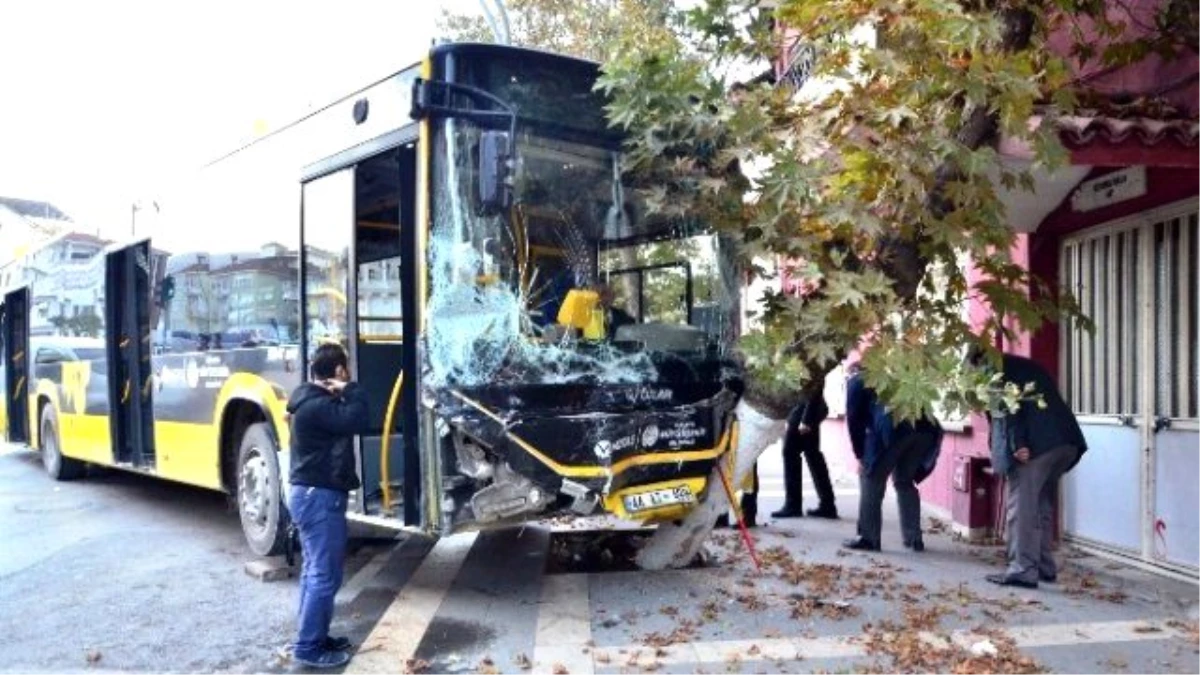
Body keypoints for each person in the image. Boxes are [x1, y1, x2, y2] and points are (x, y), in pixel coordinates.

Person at [970, 348, 1088, 589]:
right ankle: (1044, 566)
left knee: (1021, 507)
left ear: (976, 362)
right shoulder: (1025, 365)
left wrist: (1018, 444)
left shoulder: (992, 372)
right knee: (1041, 504)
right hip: (1066, 442)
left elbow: (1007, 410)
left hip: (1037, 446)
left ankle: (1022, 569)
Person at [286, 343, 370, 668]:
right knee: (324, 575)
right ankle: (309, 647)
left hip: (311, 496)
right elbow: (360, 418)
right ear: (338, 371)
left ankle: (315, 637)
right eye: (345, 369)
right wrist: (351, 389)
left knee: (314, 571)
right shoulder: (318, 406)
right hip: (318, 497)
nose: (347, 375)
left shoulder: (309, 400)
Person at [841, 363, 944, 552]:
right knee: (904, 482)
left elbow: (854, 422)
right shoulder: (894, 375)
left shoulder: (856, 381)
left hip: (895, 429)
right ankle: (914, 539)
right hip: (925, 431)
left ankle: (868, 537)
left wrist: (861, 456)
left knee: (871, 479)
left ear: (851, 372)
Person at [771, 381, 837, 519]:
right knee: (813, 456)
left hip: (804, 414)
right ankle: (827, 504)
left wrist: (806, 420)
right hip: (806, 412)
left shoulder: (807, 361)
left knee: (791, 454)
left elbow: (815, 388)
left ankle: (793, 505)